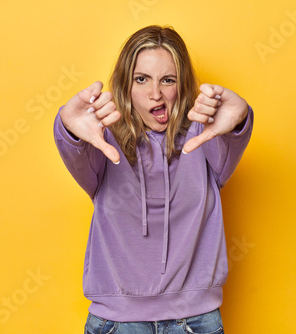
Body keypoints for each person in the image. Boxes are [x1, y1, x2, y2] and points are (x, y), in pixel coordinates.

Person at [54, 25, 254, 334]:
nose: (155, 94)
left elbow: (230, 136)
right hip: (117, 323)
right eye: (142, 79)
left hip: (195, 321)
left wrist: (238, 118)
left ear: (182, 85)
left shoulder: (205, 137)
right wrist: (68, 127)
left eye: (168, 80)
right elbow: (76, 151)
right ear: (126, 86)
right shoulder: (103, 142)